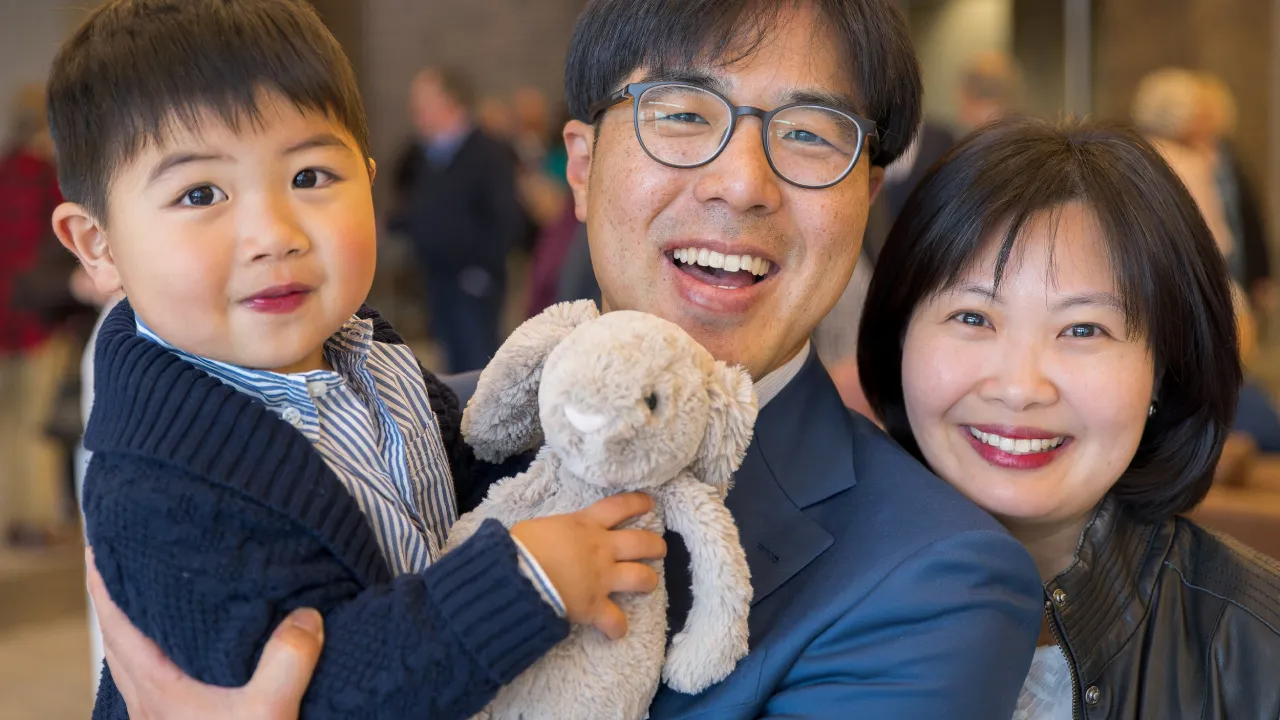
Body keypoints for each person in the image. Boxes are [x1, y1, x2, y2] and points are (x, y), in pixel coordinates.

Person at [88, 1, 1046, 717]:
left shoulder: (934, 583)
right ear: (581, 168)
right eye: (680, 113)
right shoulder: (431, 426)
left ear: (868, 193)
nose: (741, 183)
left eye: (807, 134)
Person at [51, 1, 664, 717]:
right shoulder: (159, 492)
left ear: (368, 181)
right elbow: (316, 694)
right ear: (98, 246)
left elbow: (449, 483)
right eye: (201, 193)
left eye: (310, 177)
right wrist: (525, 582)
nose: (273, 235)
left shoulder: (366, 352)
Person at [859, 117, 1280, 718]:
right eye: (974, 318)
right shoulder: (784, 599)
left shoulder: (1260, 648)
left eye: (1084, 329)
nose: (1019, 388)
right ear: (898, 335)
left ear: (1163, 369)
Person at [390, 67, 528, 373]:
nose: (416, 115)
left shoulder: (487, 152)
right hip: (438, 278)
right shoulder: (427, 155)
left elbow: (506, 219)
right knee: (452, 363)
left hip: (473, 282)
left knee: (478, 364)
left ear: (450, 103)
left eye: (423, 105)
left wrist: (479, 270)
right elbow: (426, 209)